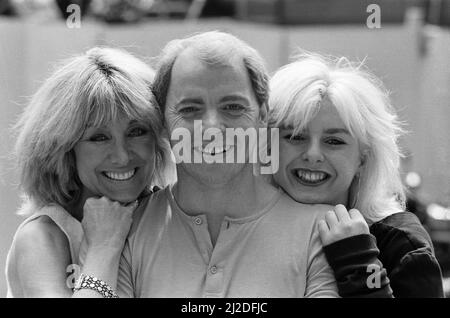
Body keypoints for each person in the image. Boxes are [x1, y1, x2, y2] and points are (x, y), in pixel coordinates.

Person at [116, 31, 339, 297]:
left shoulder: (322, 231)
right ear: (162, 123)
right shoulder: (126, 228)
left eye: (232, 107)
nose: (212, 127)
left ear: (263, 116)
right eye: (189, 109)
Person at [268, 53, 444, 297]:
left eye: (334, 141)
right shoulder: (238, 228)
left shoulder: (401, 243)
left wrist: (358, 262)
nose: (312, 154)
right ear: (268, 146)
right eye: (295, 136)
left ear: (363, 157)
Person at [6, 47, 171, 297]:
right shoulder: (42, 236)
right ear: (65, 151)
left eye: (137, 131)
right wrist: (104, 245)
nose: (122, 156)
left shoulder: (167, 215)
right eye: (99, 137)